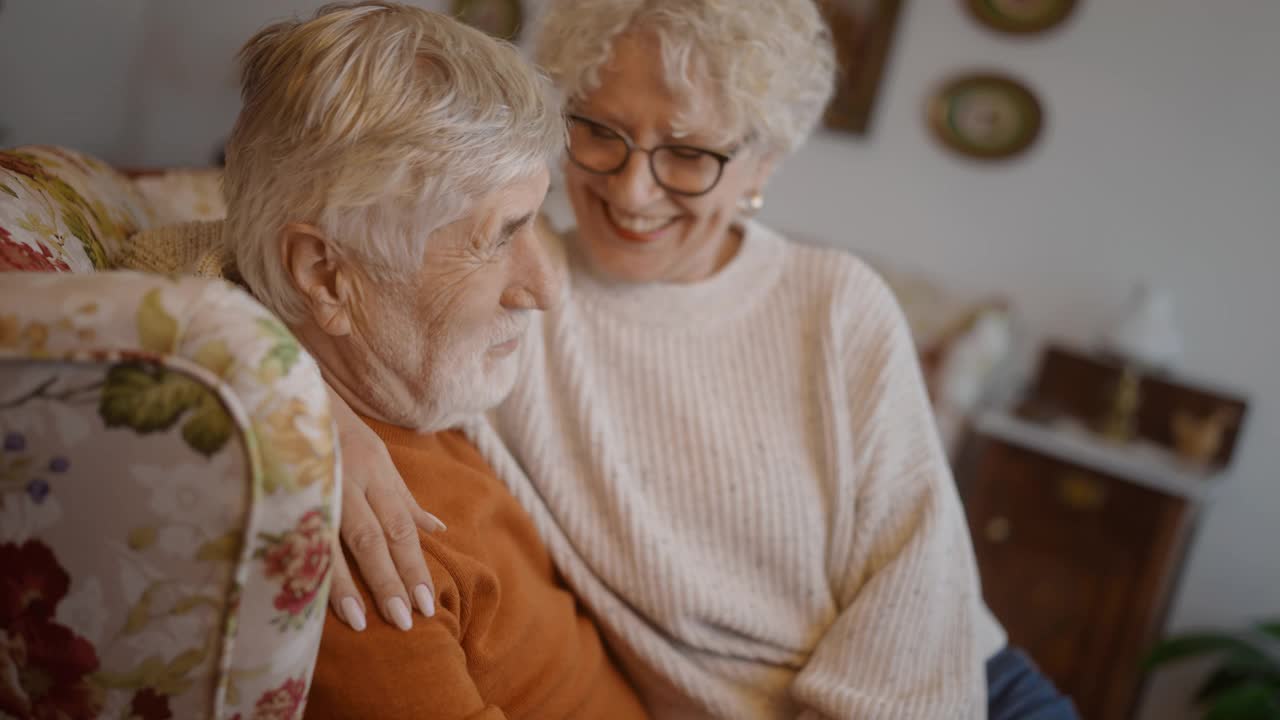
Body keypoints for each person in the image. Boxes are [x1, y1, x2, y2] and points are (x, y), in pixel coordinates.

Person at [333, 0, 1079, 718]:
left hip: (960, 689)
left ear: (763, 163)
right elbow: (273, 255)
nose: (632, 190)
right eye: (601, 132)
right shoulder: (516, 283)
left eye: (688, 153)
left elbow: (915, 578)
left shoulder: (837, 304)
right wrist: (317, 413)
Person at [152, 3, 650, 718]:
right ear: (326, 277)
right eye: (498, 237)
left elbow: (188, 255)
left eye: (533, 222)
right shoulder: (358, 543)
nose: (543, 288)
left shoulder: (413, 385)